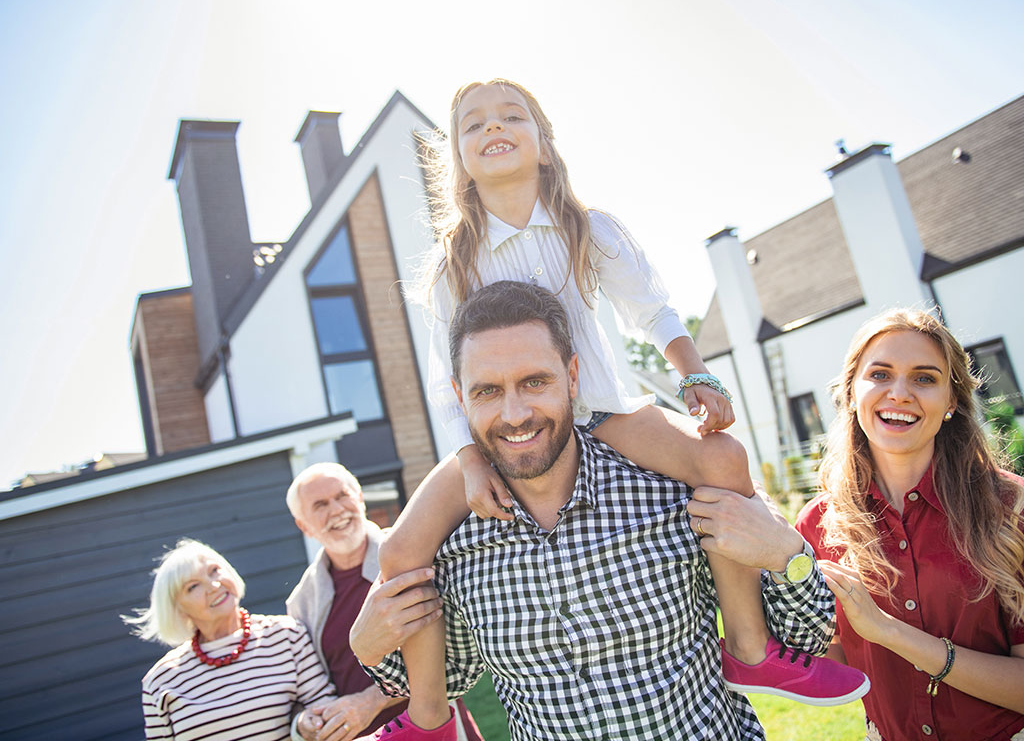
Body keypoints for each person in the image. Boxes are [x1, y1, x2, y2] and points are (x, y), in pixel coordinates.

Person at [373, 78, 863, 739]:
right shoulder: (450, 263)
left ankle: (750, 647)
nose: (493, 128)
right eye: (472, 124)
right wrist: (467, 460)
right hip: (498, 437)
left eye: (512, 116)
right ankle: (430, 718)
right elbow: (447, 380)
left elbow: (652, 309)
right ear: (456, 159)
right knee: (401, 549)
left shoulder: (588, 227)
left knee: (723, 456)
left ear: (544, 146)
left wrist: (695, 377)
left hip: (603, 411)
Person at [354, 280, 867, 741]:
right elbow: (450, 677)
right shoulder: (455, 544)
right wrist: (367, 644)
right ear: (459, 398)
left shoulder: (676, 489)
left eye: (535, 382)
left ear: (573, 376)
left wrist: (788, 553)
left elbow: (805, 636)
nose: (514, 414)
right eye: (488, 391)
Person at [795, 308, 1024, 741]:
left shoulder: (1011, 507)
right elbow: (834, 669)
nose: (898, 393)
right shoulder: (817, 526)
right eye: (880, 374)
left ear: (952, 401)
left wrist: (889, 632)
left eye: (924, 378)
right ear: (851, 391)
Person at [284, 462, 483, 741]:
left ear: (360, 497)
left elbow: (452, 656)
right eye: (320, 505)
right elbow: (306, 687)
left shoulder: (414, 553)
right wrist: (302, 723)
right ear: (303, 526)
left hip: (436, 728)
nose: (337, 510)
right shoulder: (301, 602)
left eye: (342, 495)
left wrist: (371, 701)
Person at [125, 538, 336, 740]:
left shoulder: (286, 635)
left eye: (214, 571)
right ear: (177, 610)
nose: (214, 586)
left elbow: (325, 710)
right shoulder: (160, 681)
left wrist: (305, 724)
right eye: (193, 586)